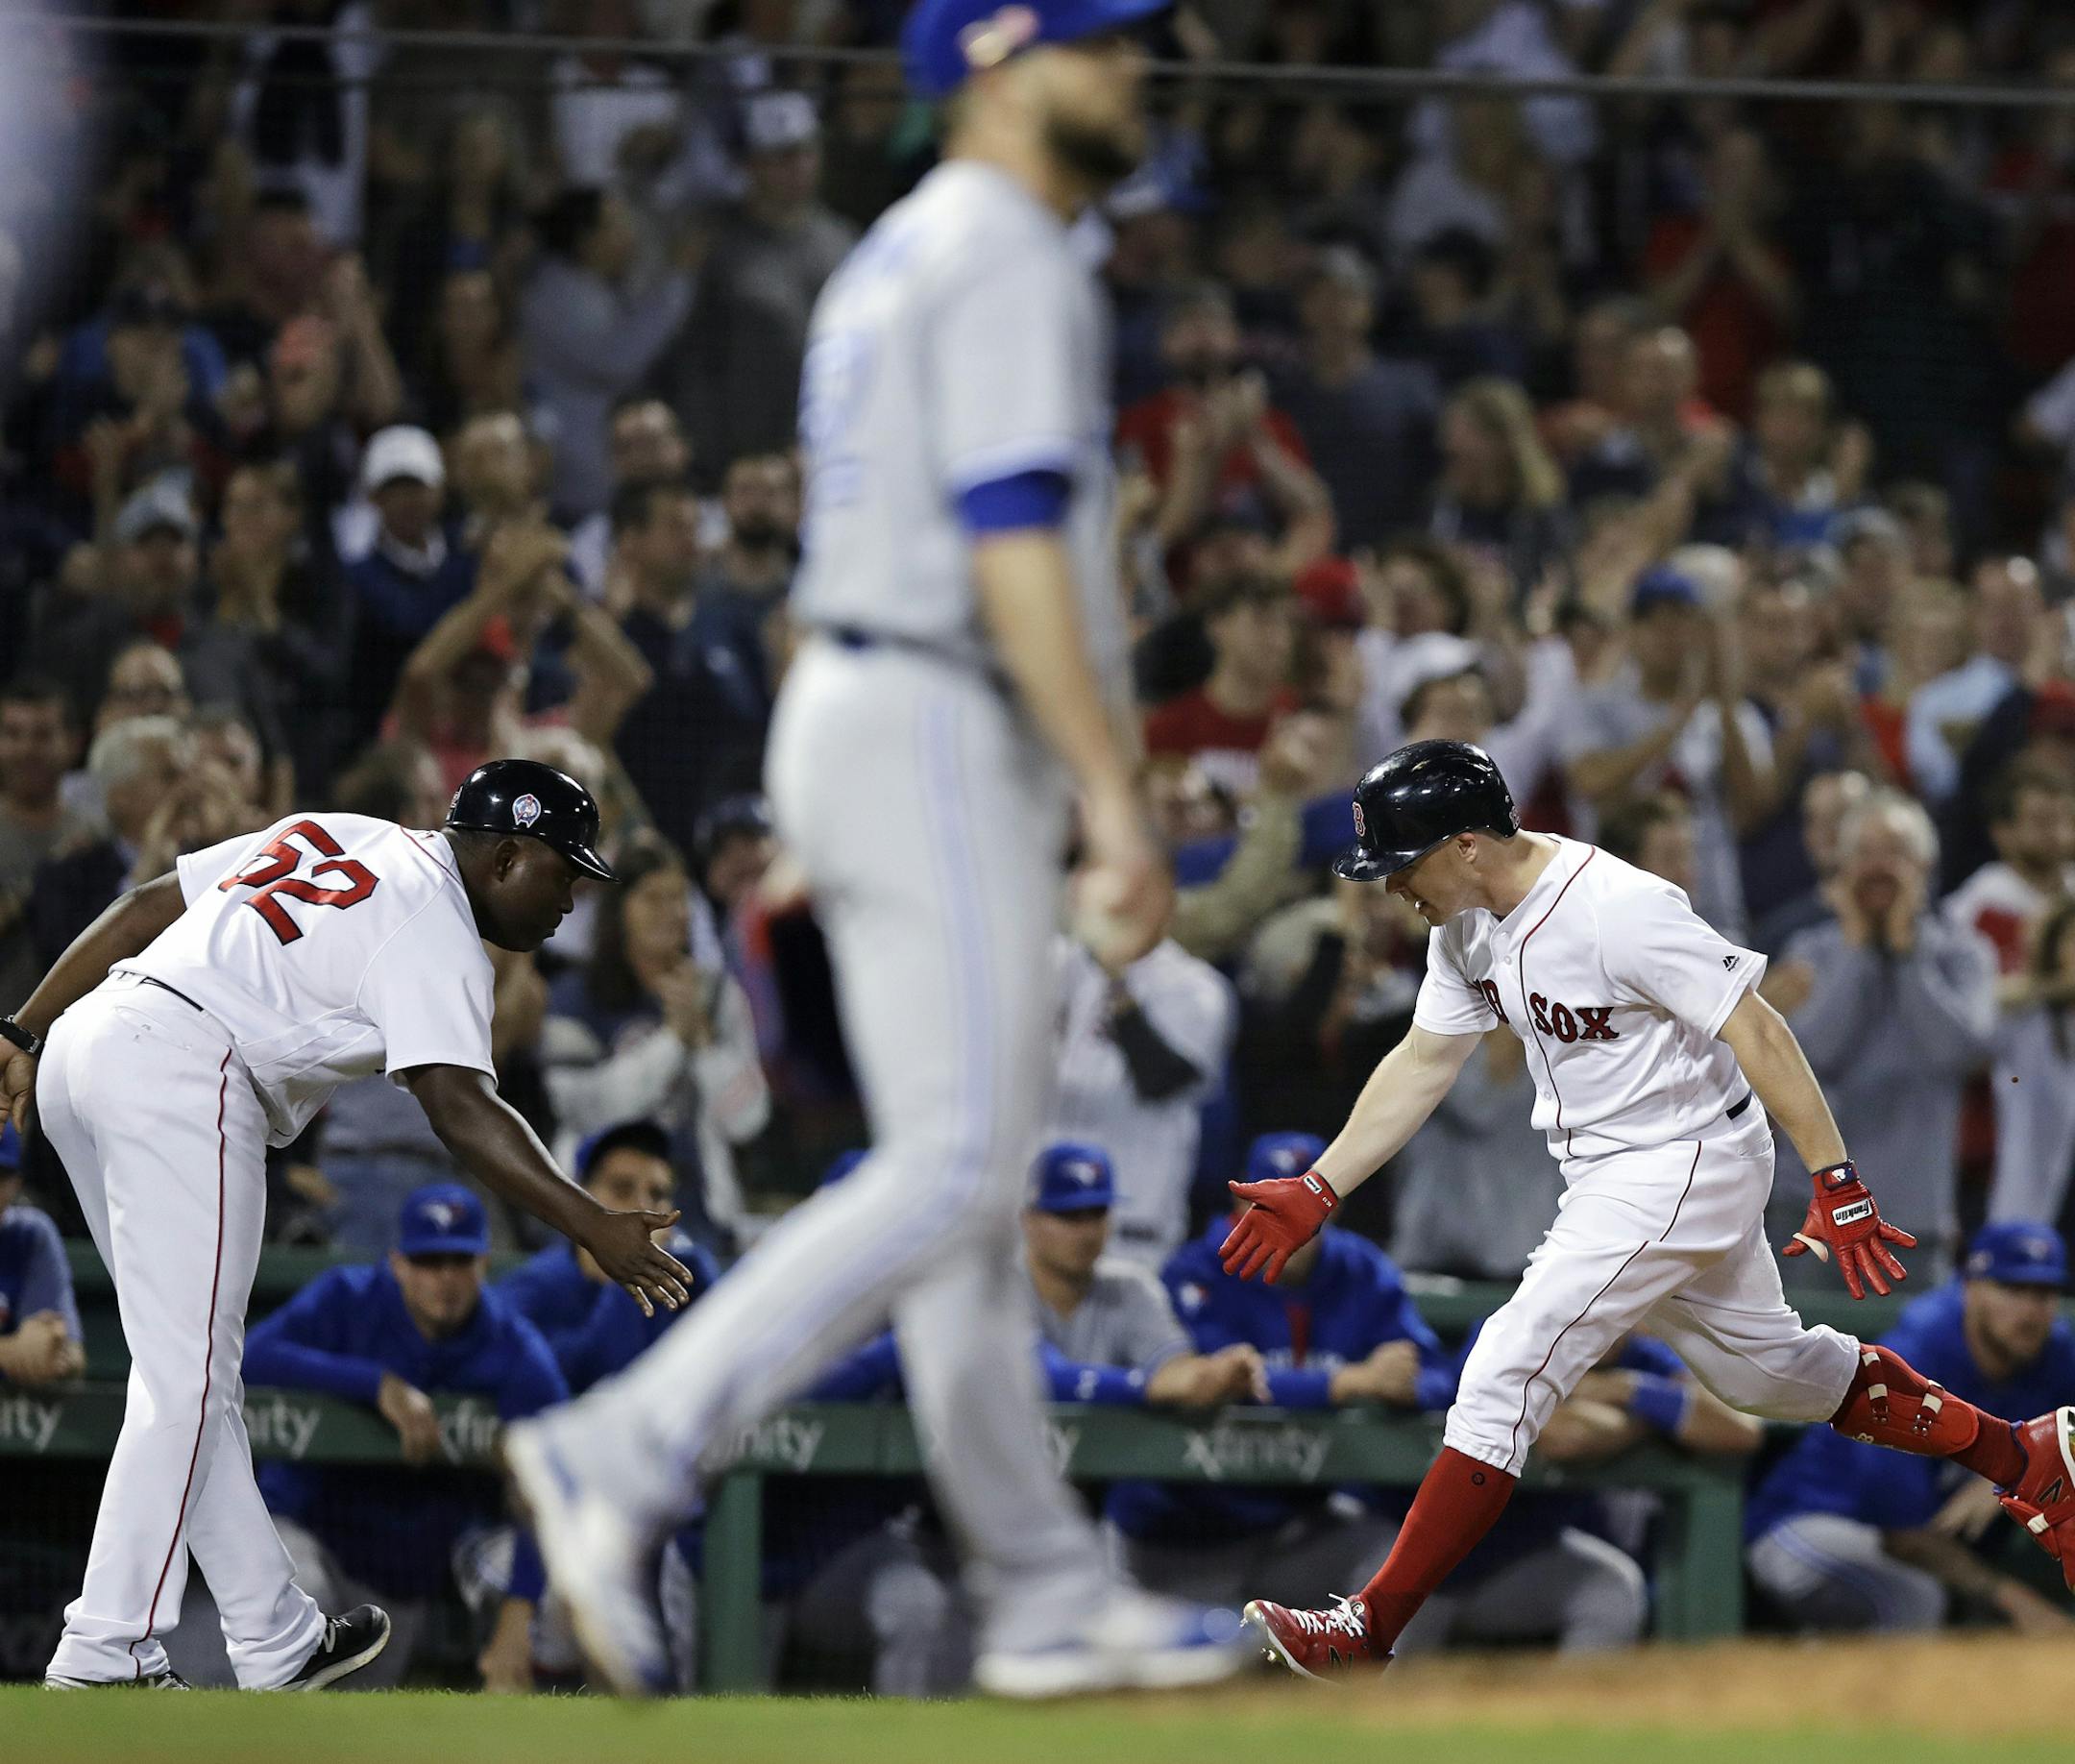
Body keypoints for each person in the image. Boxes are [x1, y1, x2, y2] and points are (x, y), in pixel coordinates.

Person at [503, 0, 1255, 1701]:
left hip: (874, 700)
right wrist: (1116, 797)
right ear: (998, 61)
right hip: (926, 710)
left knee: (966, 1196)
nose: (1139, 68)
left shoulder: (899, 255)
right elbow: (1009, 546)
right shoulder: (1004, 245)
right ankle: (625, 1446)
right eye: (1104, 41)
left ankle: (1046, 1589)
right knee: (965, 1169)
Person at [1224, 739, 2075, 1678]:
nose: (1391, 888)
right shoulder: (1463, 925)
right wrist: (1321, 1184)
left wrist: (1836, 1179)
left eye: (1401, 863)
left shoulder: (1616, 908)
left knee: (1507, 1368)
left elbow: (1757, 1024)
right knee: (1770, 1375)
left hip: (1680, 1160)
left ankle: (1369, 1627)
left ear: (1467, 845)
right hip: (1617, 1170)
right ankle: (2024, 1457)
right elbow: (1425, 1060)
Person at [1, 758, 691, 1689]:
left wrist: (24, 1027)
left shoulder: (346, 831)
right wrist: (593, 1220)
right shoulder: (439, 927)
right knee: (189, 1383)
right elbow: (459, 1108)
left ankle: (273, 1632)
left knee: (191, 1375)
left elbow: (144, 907)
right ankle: (105, 1647)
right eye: (562, 873)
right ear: (503, 858)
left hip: (89, 1045)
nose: (572, 899)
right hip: (184, 1069)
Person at [237, 1183, 569, 1691]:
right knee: (294, 1630)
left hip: (398, 1580)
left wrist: (519, 1615)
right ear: (397, 1263)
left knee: (350, 1726)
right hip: (307, 1534)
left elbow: (551, 1480)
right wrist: (374, 1385)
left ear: (483, 1265)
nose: (445, 1279)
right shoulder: (349, 1298)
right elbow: (252, 1357)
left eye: (459, 1262)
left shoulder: (511, 1347)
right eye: (428, 1261)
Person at [1112, 1131, 1453, 1607]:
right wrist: (1348, 1383)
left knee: (1396, 1552)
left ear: (1332, 1205)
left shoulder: (1362, 1271)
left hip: (1296, 1531)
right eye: (1268, 1203)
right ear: (1240, 1201)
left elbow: (1439, 1377)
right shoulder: (1196, 1272)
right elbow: (1221, 1382)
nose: (1286, 1222)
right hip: (1178, 1532)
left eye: (1301, 1204)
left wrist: (1408, 1387)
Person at [1746, 1223, 2075, 1637]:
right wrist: (2021, 1605)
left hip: (1904, 1542)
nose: (2030, 1310)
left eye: (2044, 1293)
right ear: (1970, 1288)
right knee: (1912, 1598)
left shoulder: (2055, 1353)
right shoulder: (1915, 1359)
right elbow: (1905, 1537)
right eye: (2011, 1289)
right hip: (1807, 1526)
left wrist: (2019, 1465)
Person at [1765, 791, 1997, 1274]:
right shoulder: (1811, 952)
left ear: (1926, 866)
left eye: (1895, 852)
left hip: (1914, 1216)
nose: (1879, 867)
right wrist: (1860, 954)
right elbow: (1808, 1061)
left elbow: (1956, 1052)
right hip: (1811, 1217)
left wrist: (1907, 955)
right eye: (1864, 854)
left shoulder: (1963, 956)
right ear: (1842, 867)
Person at [541, 832, 769, 1252]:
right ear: (619, 910)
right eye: (653, 899)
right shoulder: (575, 997)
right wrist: (672, 1042)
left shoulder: (717, 995)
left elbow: (747, 1120)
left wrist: (701, 1043)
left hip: (700, 1214)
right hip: (601, 1216)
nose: (672, 913)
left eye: (679, 898)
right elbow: (587, 1109)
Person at [1021, 1140, 1262, 1409]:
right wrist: (1147, 1386)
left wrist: (1211, 1376)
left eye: (1097, 1213)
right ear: (1028, 1219)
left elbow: (1174, 1371)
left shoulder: (1131, 1287)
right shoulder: (993, 1289)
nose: (1087, 1232)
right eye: (1069, 1215)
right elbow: (1037, 1376)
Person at [1048, 929, 1235, 1269]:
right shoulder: (1054, 965)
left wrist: (1117, 987)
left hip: (1135, 1236)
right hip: (1040, 1227)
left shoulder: (1194, 987)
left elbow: (1160, 1081)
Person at [0, 1119, 85, 1387]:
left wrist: (58, 1355)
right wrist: (10, 1353)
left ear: (16, 1183)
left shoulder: (29, 1234)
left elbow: (75, 1355)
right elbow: (17, 1353)